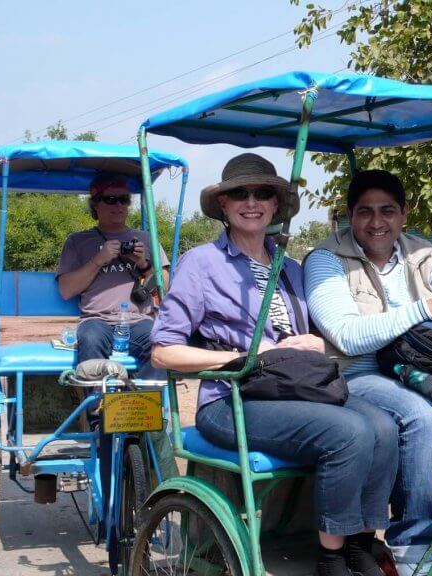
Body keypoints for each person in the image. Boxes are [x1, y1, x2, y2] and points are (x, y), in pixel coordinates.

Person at [151, 153, 398, 576]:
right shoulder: (202, 263)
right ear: (224, 206)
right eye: (240, 194)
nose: (252, 202)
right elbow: (163, 351)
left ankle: (360, 543)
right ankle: (331, 557)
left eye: (263, 193)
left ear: (275, 205)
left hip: (298, 391)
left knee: (384, 427)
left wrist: (315, 343)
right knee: (350, 431)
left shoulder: (291, 268)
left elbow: (329, 333)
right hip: (232, 401)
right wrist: (247, 356)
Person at [305, 169, 432, 576]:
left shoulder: (419, 253)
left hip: (420, 373)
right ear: (350, 216)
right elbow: (347, 336)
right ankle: (412, 541)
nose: (377, 221)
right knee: (425, 417)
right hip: (357, 375)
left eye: (387, 210)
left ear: (404, 213)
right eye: (364, 212)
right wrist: (429, 308)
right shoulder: (325, 260)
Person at [57, 173, 169, 375]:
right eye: (110, 199)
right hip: (96, 321)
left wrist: (143, 263)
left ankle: (141, 403)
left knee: (161, 344)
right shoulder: (78, 242)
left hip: (138, 320)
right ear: (95, 205)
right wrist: (98, 259)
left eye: (124, 199)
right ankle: (97, 404)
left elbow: (165, 288)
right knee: (90, 339)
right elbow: (66, 290)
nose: (118, 206)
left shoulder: (146, 238)